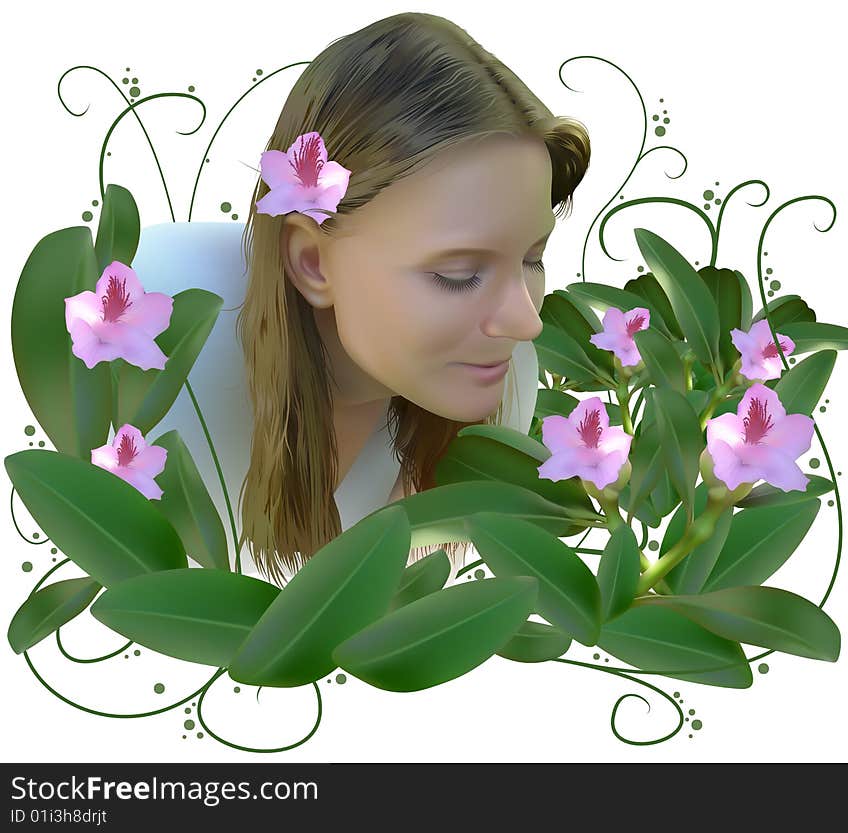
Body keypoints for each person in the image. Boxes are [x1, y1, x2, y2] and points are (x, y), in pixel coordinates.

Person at [138, 11, 591, 587]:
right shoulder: (160, 359)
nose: (525, 323)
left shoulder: (504, 385)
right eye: (458, 273)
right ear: (312, 261)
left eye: (532, 260)